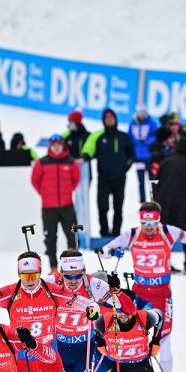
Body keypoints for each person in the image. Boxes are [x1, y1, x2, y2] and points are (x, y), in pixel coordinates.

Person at [99, 201, 186, 372]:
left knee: (163, 337)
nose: (148, 228)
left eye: (152, 224)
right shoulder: (132, 234)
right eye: (145, 224)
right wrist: (113, 252)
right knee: (127, 333)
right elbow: (105, 251)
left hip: (162, 293)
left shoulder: (167, 231)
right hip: (139, 293)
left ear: (158, 221)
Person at [29, 134, 81, 273]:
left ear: (62, 145)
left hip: (67, 206)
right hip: (48, 208)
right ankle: (53, 268)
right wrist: (44, 193)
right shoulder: (42, 162)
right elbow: (35, 181)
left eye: (59, 144)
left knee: (72, 236)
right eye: (54, 144)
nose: (56, 147)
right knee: (50, 238)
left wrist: (67, 191)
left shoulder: (71, 162)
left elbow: (75, 180)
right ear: (50, 146)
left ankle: (73, 265)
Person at [83, 108, 135, 238]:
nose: (109, 120)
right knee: (102, 207)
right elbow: (89, 152)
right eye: (107, 119)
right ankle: (104, 233)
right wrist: (84, 157)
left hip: (119, 179)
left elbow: (131, 155)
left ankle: (116, 233)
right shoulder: (99, 137)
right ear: (103, 121)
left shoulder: (123, 137)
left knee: (118, 207)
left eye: (111, 118)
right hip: (103, 179)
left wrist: (124, 168)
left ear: (115, 120)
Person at [152, 137, 186, 271]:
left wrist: (158, 201)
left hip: (164, 204)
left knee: (166, 234)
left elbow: (155, 183)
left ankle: (165, 262)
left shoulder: (166, 162)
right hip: (182, 204)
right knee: (184, 233)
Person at [64, 110, 93, 231]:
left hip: (85, 173)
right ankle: (71, 228)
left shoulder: (87, 135)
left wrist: (84, 158)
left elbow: (91, 148)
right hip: (69, 173)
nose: (69, 124)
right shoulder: (66, 136)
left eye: (71, 121)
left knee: (83, 201)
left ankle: (83, 228)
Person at [129, 104, 160, 200]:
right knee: (141, 181)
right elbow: (129, 138)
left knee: (152, 179)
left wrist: (147, 140)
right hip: (138, 157)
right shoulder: (132, 124)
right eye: (139, 113)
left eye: (143, 113)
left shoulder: (151, 123)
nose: (141, 115)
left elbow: (157, 136)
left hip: (150, 156)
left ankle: (154, 199)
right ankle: (143, 201)